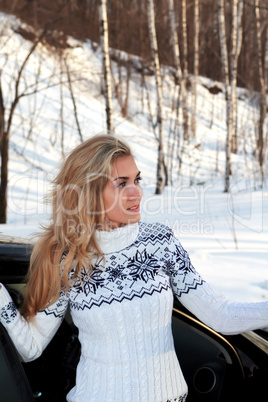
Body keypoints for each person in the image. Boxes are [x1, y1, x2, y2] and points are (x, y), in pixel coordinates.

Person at [0, 134, 267, 402]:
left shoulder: (160, 243)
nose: (136, 192)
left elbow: (219, 314)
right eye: (121, 183)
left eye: (137, 180)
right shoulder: (68, 262)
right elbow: (30, 348)